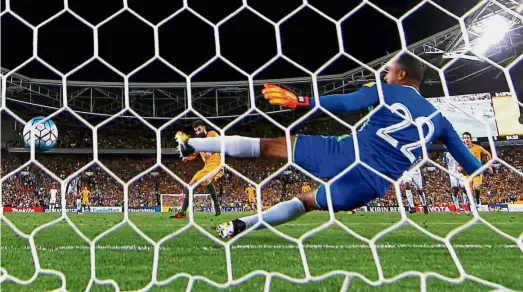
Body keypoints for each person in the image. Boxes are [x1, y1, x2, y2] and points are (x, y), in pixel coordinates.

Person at [175, 54, 483, 239]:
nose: (384, 74)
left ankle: (193, 144)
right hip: (371, 185)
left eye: (388, 70)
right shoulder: (441, 121)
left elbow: (349, 103)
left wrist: (304, 101)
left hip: (345, 153)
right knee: (305, 202)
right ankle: (243, 224)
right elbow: (474, 167)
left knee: (269, 146)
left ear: (401, 75)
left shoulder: (387, 90)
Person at [171, 120, 223, 219]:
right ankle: (182, 212)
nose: (198, 132)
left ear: (203, 127)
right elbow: (194, 155)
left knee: (207, 180)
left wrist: (211, 152)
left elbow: (220, 143)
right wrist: (187, 158)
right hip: (207, 167)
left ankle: (216, 205)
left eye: (199, 129)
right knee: (189, 186)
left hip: (218, 165)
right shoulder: (199, 142)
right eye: (196, 130)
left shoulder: (212, 134)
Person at [462, 132, 493, 207]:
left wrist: (489, 165)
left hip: (477, 171)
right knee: (467, 189)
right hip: (467, 172)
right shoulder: (462, 149)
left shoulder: (478, 148)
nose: (466, 139)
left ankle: (478, 201)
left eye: (467, 138)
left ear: (471, 139)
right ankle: (470, 202)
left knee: (475, 187)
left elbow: (488, 154)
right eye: (465, 138)